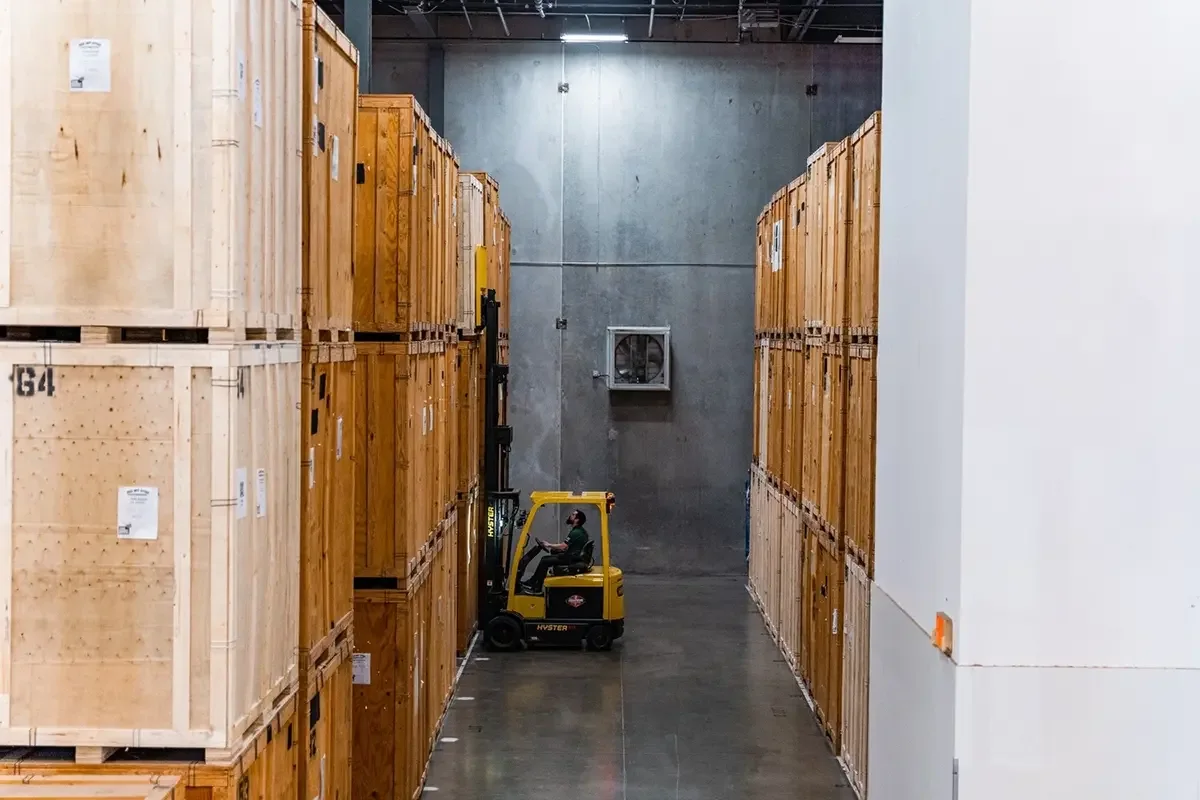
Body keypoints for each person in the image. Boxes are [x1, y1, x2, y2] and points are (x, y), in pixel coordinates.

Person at [521, 509, 590, 593]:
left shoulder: (576, 532)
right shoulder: (580, 531)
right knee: (548, 557)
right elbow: (565, 547)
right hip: (573, 556)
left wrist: (548, 545)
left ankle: (536, 587)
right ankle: (533, 582)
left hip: (571, 559)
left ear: (577, 519)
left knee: (544, 561)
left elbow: (563, 546)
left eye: (573, 515)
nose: (570, 516)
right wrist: (554, 548)